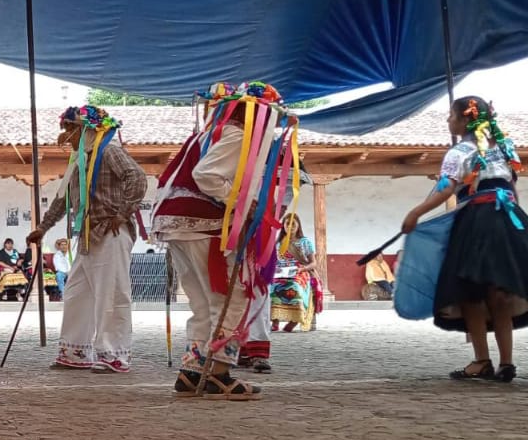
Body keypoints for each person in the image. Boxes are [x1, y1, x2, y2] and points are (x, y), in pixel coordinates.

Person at [151, 81, 299, 398]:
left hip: (177, 224)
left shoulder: (207, 133)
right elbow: (207, 176)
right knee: (230, 299)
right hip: (204, 223)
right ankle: (218, 372)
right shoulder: (237, 134)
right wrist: (245, 206)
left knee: (203, 303)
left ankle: (192, 371)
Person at [400, 95, 528, 383]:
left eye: (451, 115)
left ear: (464, 119)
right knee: (499, 294)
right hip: (507, 219)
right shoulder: (507, 148)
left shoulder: (458, 152)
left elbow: (446, 189)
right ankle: (506, 363)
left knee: (471, 294)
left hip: (476, 222)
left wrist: (415, 213)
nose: (448, 121)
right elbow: (511, 187)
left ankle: (482, 360)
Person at [28, 105, 147, 373]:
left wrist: (122, 212)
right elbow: (63, 200)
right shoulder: (79, 160)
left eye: (71, 128)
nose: (66, 135)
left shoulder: (110, 151)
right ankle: (76, 351)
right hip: (87, 234)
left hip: (111, 231)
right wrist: (43, 228)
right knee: (76, 293)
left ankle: (113, 354)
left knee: (111, 294)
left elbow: (137, 177)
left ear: (87, 129)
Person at [269, 213, 319, 332]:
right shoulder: (278, 243)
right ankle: (274, 321)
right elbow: (274, 261)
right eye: (287, 224)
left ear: (298, 226)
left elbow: (313, 263)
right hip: (280, 273)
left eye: (293, 224)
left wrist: (302, 269)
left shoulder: (305, 242)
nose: (290, 227)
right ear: (283, 226)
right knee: (272, 286)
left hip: (300, 272)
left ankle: (294, 321)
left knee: (295, 287)